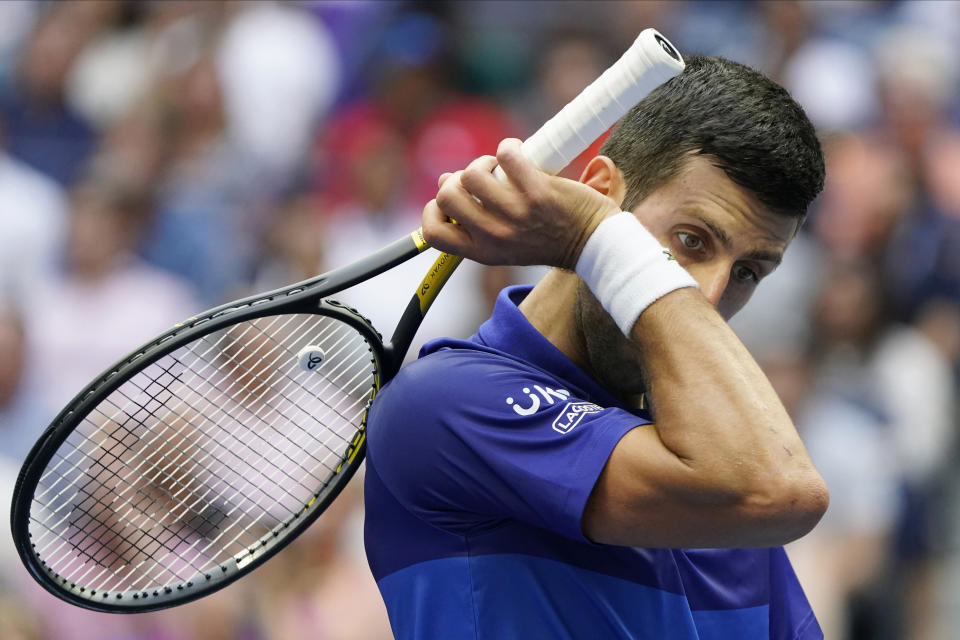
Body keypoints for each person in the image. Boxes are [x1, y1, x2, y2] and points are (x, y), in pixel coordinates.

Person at [364, 55, 829, 639]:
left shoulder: (724, 458)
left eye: (748, 272)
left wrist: (607, 240)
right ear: (599, 193)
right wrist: (596, 238)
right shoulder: (443, 405)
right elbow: (782, 493)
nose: (707, 296)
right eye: (691, 240)